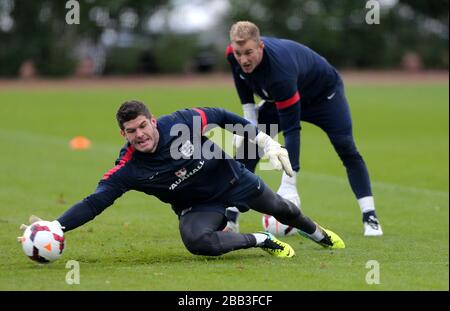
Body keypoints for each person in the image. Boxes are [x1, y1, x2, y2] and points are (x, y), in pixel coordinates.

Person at [22, 100, 345, 260]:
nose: (140, 135)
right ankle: (261, 240)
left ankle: (318, 234)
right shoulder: (128, 168)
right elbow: (96, 201)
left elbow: (220, 116)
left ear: (152, 121)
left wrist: (265, 142)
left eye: (143, 126)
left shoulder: (181, 124)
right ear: (123, 134)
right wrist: (58, 227)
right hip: (198, 205)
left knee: (282, 209)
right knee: (197, 243)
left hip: (232, 179)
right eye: (131, 131)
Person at [224, 21, 383, 237]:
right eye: (238, 53)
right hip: (281, 97)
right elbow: (243, 87)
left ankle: (370, 216)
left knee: (346, 147)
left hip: (323, 97)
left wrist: (289, 183)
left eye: (249, 52)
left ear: (261, 46)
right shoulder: (233, 56)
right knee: (250, 148)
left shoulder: (280, 72)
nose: (243, 59)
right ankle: (230, 217)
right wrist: (249, 122)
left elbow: (291, 130)